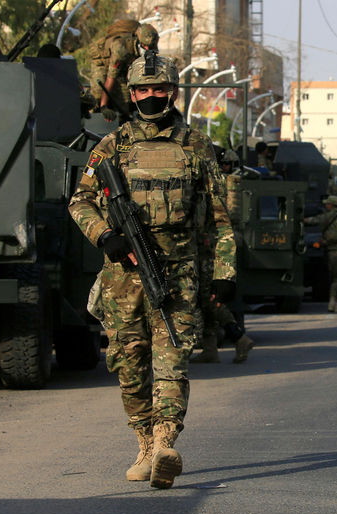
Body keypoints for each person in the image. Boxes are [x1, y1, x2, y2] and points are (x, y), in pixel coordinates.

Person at [68, 52, 235, 490]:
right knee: (129, 361)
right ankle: (143, 442)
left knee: (173, 358)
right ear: (132, 93)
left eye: (159, 88)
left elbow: (220, 216)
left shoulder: (195, 145)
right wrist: (106, 235)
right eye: (143, 89)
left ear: (172, 92)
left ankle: (165, 443)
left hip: (177, 272)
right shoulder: (113, 145)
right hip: (123, 276)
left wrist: (224, 273)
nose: (151, 96)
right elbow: (79, 202)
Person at [192, 148, 254, 364]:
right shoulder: (218, 184)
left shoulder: (220, 186)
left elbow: (220, 218)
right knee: (204, 299)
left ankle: (239, 337)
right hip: (209, 245)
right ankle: (210, 349)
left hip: (211, 248)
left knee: (209, 298)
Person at [89, 20, 160, 122]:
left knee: (124, 100)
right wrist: (103, 106)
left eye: (150, 47)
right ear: (138, 40)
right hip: (103, 61)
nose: (147, 48)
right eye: (145, 46)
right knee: (98, 92)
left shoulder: (150, 46)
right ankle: (90, 116)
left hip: (125, 64)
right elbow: (110, 78)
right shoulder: (121, 49)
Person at [304, 195, 337, 313]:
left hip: (332, 251)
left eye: (327, 203)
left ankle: (332, 303)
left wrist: (304, 220)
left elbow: (314, 220)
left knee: (335, 279)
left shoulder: (325, 217)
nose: (326, 205)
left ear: (332, 205)